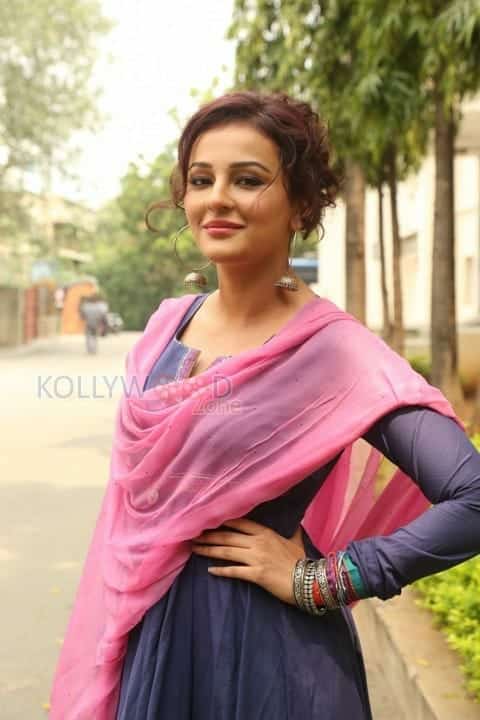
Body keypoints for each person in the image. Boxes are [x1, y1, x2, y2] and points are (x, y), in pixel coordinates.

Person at [50, 92, 480, 720]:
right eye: (202, 180)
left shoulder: (334, 351)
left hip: (268, 657)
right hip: (151, 639)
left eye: (247, 180)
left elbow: (473, 498)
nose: (217, 198)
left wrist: (326, 579)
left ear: (301, 203)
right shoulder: (165, 327)